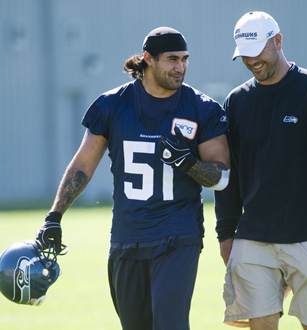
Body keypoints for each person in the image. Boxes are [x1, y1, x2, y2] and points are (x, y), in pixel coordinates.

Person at [35, 27, 230, 330]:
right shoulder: (112, 105)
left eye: (185, 59)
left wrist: (188, 162)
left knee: (170, 324)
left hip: (178, 236)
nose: (181, 68)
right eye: (172, 60)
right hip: (127, 237)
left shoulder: (201, 108)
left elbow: (221, 177)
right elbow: (83, 165)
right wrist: (54, 217)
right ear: (148, 60)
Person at [214, 12, 307, 330]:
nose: (252, 60)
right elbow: (229, 175)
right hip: (254, 238)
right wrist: (226, 233)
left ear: (278, 41)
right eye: (245, 54)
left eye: (258, 50)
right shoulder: (236, 103)